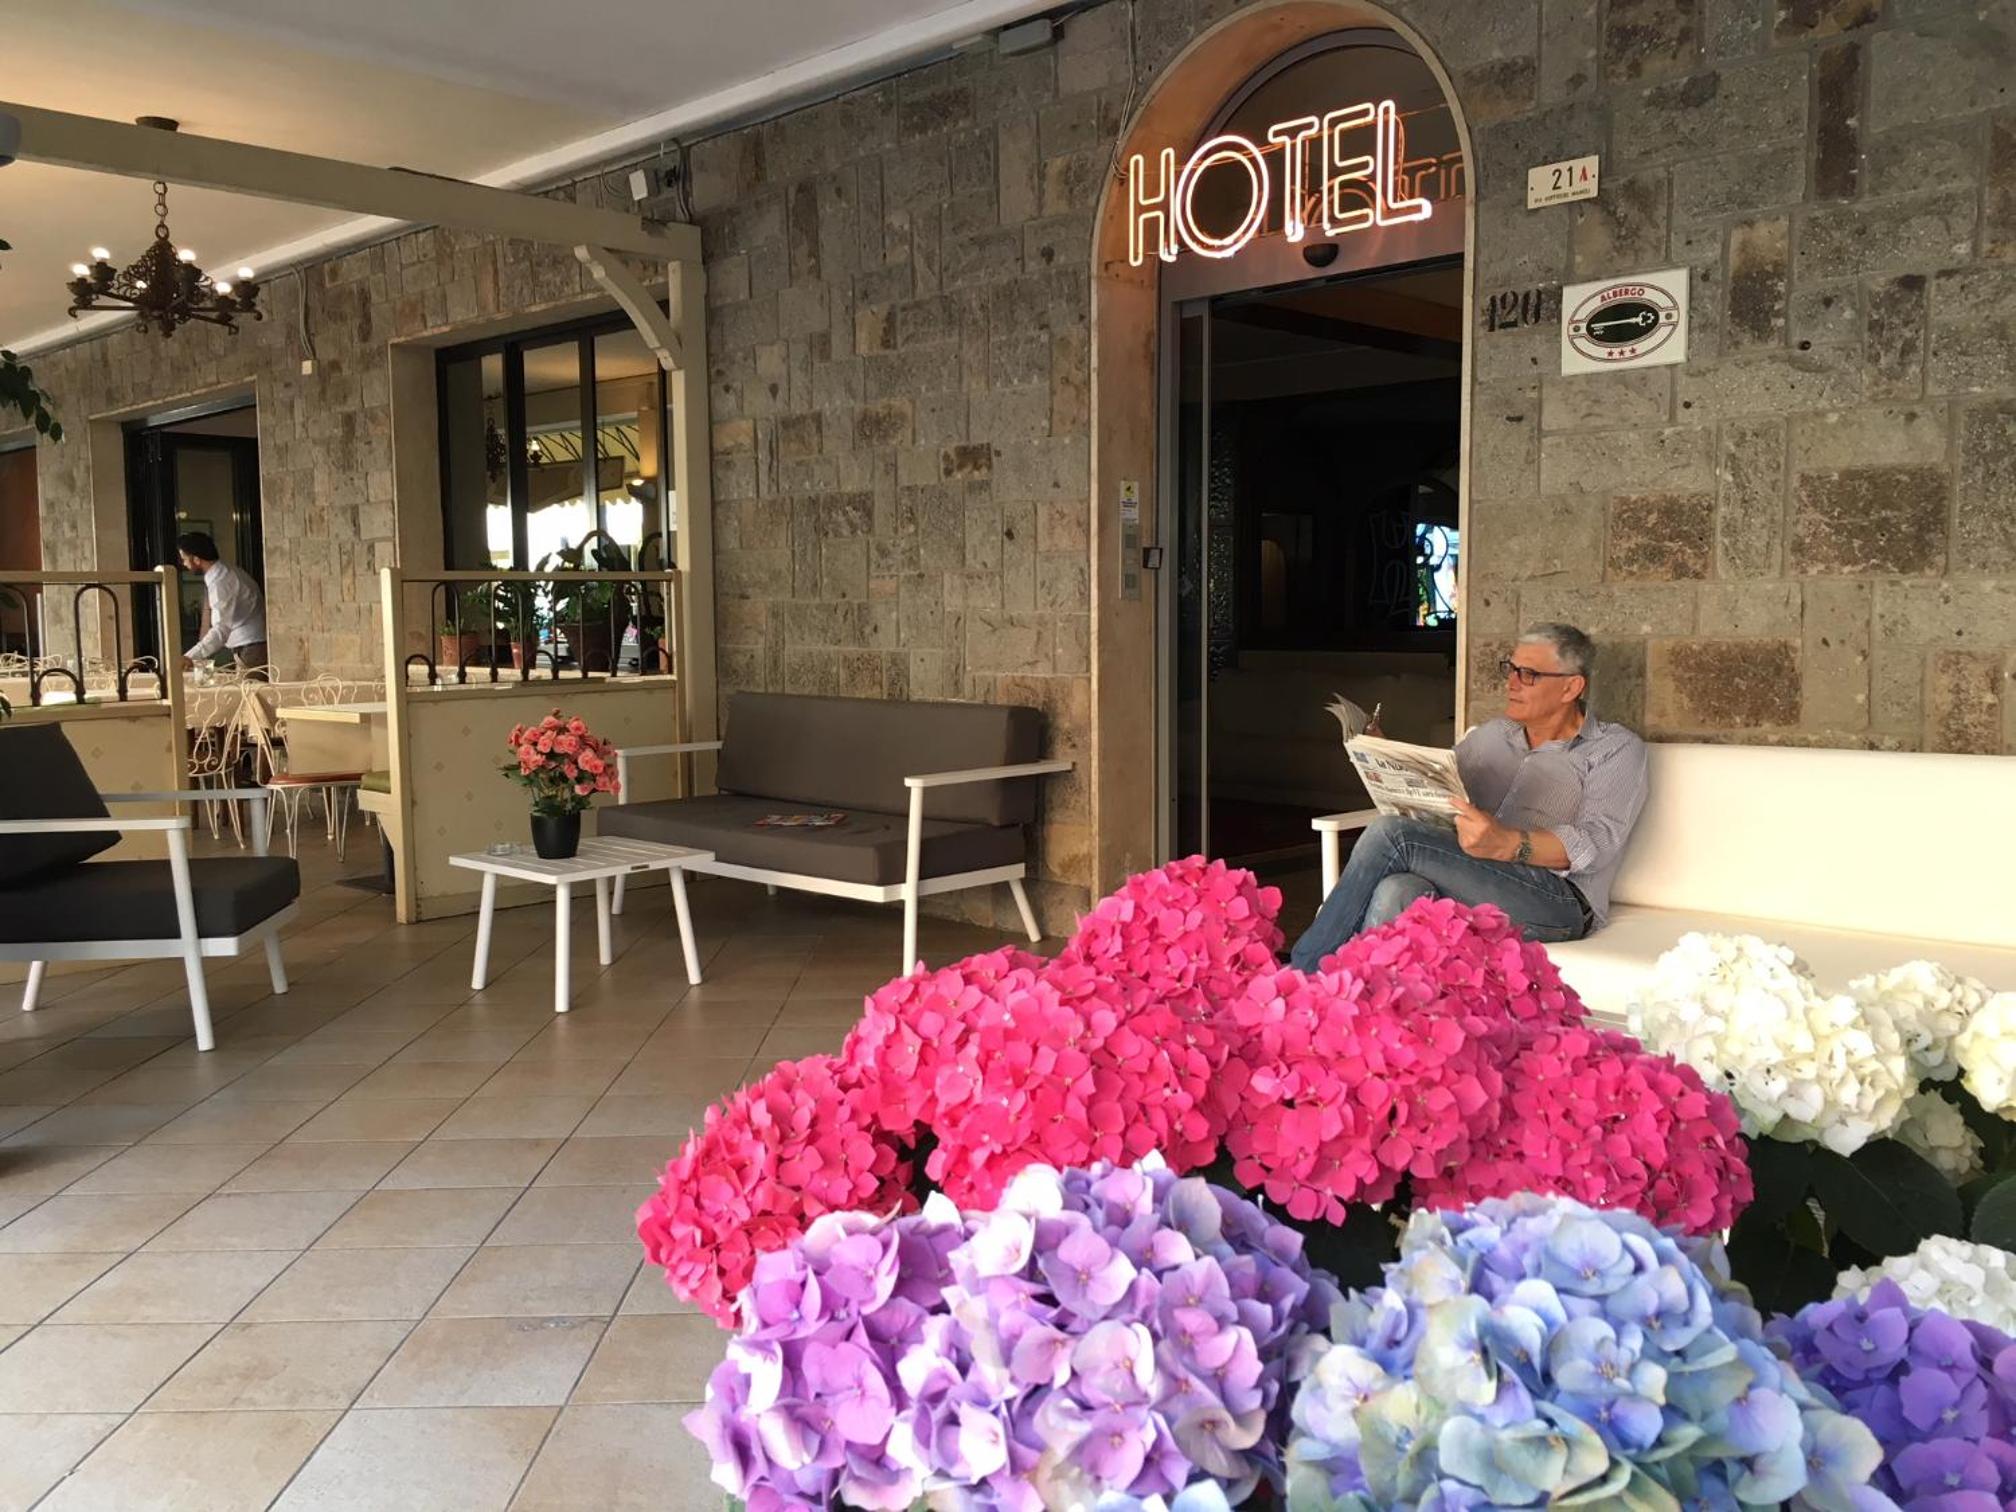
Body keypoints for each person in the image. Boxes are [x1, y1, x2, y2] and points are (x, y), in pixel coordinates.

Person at [1288, 622, 1648, 971]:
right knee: (1397, 889)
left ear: (1571, 687)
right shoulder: (1493, 735)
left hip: (1559, 902)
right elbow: (1438, 787)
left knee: (1392, 834)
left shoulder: (1614, 749)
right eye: (1511, 669)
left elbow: (1596, 842)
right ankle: (1367, 1001)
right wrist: (1386, 758)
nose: (1511, 683)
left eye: (1528, 674)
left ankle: (1304, 975)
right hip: (1478, 878)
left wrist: (1509, 843)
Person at [176, 531, 268, 680]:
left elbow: (221, 629)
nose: (184, 564)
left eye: (184, 559)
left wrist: (189, 657)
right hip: (248, 646)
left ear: (196, 559)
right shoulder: (225, 572)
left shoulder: (221, 582)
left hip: (251, 649)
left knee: (250, 693)